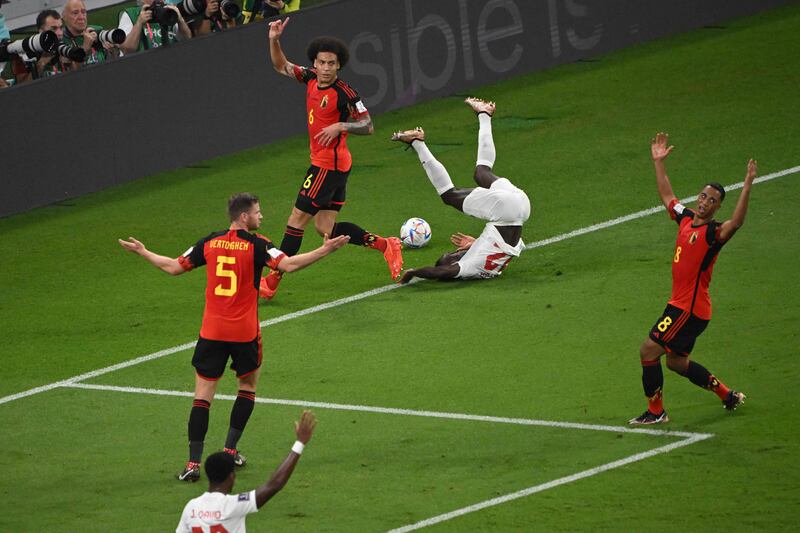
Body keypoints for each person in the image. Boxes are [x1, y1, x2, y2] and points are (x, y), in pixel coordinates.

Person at [118, 193, 348, 480]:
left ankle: (192, 465)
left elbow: (173, 267)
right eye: (257, 212)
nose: (261, 217)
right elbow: (289, 265)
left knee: (202, 398)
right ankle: (229, 451)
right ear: (243, 217)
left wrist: (143, 251)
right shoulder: (258, 245)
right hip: (244, 333)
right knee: (247, 387)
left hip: (211, 332)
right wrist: (324, 251)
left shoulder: (210, 242)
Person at [259, 17, 402, 300]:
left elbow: (368, 125)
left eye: (331, 64)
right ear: (315, 64)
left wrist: (342, 125)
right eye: (321, 62)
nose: (325, 68)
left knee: (296, 219)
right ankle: (386, 245)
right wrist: (274, 39)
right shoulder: (310, 79)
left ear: (339, 66)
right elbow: (280, 66)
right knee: (325, 228)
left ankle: (273, 278)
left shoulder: (345, 94)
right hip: (335, 167)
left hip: (328, 167)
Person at [629, 132, 755, 425]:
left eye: (712, 201)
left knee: (649, 350)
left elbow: (737, 223)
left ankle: (656, 412)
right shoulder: (685, 218)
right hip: (685, 307)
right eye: (703, 196)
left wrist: (747, 184)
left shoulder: (714, 234)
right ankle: (727, 395)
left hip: (688, 309)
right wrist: (658, 162)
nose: (705, 202)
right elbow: (666, 196)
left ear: (717, 207)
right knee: (675, 362)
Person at [392, 98, 530, 284]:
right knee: (449, 195)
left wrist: (476, 245)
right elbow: (442, 272)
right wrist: (414, 272)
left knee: (482, 172)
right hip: (505, 211)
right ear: (457, 260)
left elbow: (506, 247)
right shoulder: (469, 266)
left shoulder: (488, 268)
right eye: (451, 255)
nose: (454, 252)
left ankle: (484, 114)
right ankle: (417, 142)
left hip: (522, 207)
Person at [176, 410, 316, 532]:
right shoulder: (234, 505)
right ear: (231, 477)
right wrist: (300, 443)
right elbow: (275, 484)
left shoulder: (191, 508)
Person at [10, 10, 69, 84]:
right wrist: (42, 63)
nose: (60, 33)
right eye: (54, 29)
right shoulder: (22, 51)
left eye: (61, 28)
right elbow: (20, 88)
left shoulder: (64, 46)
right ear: (41, 32)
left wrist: (70, 63)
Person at [119, 0, 192, 54]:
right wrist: (139, 23)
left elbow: (186, 39)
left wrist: (180, 19)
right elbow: (126, 49)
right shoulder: (131, 14)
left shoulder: (168, 13)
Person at [61, 0, 119, 66]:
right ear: (64, 17)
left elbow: (112, 65)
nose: (81, 17)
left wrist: (113, 52)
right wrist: (84, 49)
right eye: (75, 13)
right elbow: (68, 73)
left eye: (83, 12)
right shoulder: (61, 40)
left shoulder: (97, 31)